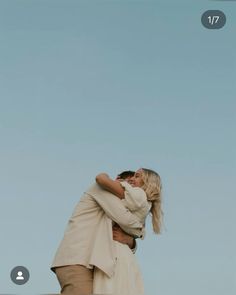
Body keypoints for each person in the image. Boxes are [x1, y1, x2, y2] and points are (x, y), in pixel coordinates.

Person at [51, 170, 143, 295]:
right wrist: (142, 231)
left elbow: (120, 233)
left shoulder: (118, 204)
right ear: (117, 180)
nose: (128, 192)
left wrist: (131, 241)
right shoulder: (102, 189)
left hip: (95, 264)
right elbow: (125, 220)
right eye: (127, 184)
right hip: (77, 260)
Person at [93, 168, 163, 295]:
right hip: (121, 253)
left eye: (137, 176)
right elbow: (138, 230)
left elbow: (101, 179)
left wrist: (106, 175)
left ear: (147, 182)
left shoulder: (138, 194)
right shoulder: (143, 201)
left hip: (115, 253)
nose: (131, 179)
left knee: (108, 288)